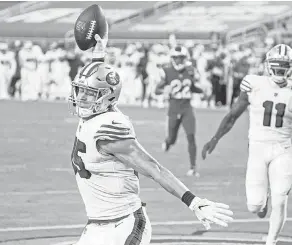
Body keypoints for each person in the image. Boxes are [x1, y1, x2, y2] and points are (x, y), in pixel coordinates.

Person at [69, 33, 233, 245]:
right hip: (95, 226)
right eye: (80, 91)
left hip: (122, 225)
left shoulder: (108, 128)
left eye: (88, 93)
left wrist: (193, 202)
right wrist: (98, 57)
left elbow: (153, 168)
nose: (80, 98)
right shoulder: (93, 115)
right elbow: (102, 87)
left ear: (105, 97)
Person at [202, 44, 292, 245]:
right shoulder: (254, 84)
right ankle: (264, 200)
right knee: (255, 206)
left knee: (281, 198)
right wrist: (215, 138)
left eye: (284, 66)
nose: (280, 70)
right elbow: (233, 115)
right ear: (268, 66)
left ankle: (272, 240)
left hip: (283, 150)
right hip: (258, 148)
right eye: (276, 66)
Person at [155, 46, 203, 177]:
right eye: (175, 57)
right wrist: (165, 90)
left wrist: (202, 91)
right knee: (172, 139)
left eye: (181, 57)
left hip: (187, 108)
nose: (178, 60)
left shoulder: (191, 71)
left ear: (185, 58)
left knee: (191, 136)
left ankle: (193, 167)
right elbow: (156, 90)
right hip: (174, 108)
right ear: (172, 58)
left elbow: (194, 88)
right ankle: (168, 142)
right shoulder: (167, 71)